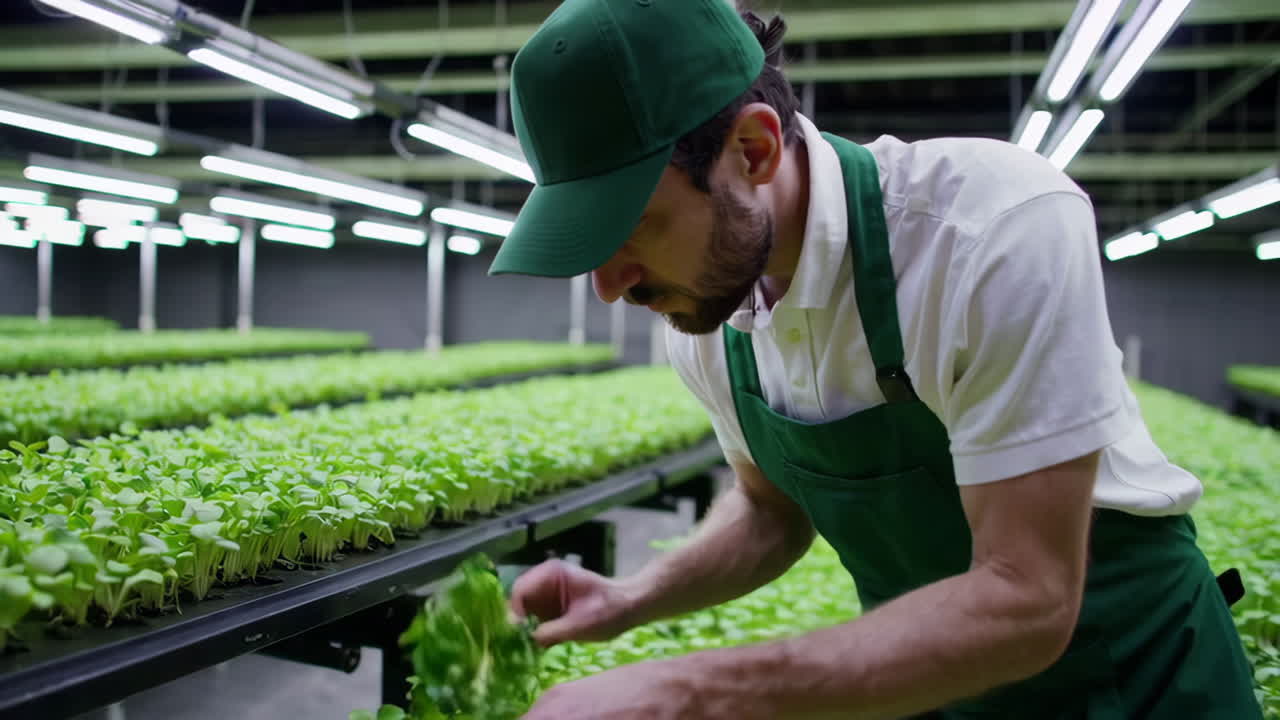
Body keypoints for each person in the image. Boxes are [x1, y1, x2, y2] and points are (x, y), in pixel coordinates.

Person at [488, 0, 1263, 717]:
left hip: (1140, 682)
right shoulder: (711, 315)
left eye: (631, 227)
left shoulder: (986, 231)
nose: (608, 287)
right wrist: (632, 598)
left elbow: (1028, 599)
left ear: (753, 151)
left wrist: (689, 693)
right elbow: (770, 512)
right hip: (936, 688)